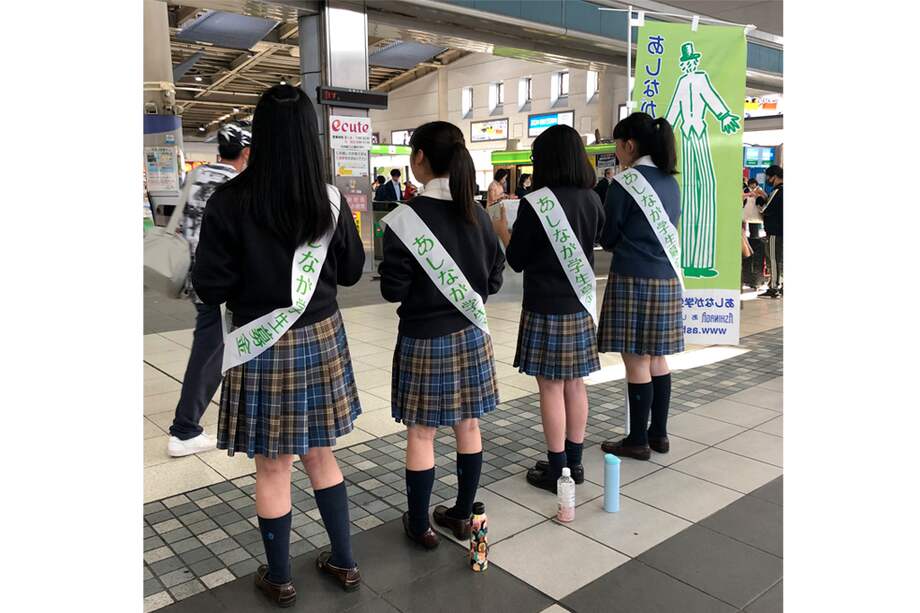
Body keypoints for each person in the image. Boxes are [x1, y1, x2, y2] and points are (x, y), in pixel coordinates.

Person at [192, 85, 365, 606]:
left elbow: (211, 286)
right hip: (322, 338)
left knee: (272, 465)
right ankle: (345, 560)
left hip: (260, 344)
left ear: (259, 136)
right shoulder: (327, 198)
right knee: (320, 452)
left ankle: (280, 576)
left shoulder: (229, 202)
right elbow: (354, 272)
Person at [379, 121, 504, 549]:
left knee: (422, 433)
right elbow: (495, 278)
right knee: (468, 424)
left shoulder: (404, 220)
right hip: (471, 334)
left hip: (423, 338)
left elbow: (392, 288)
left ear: (420, 159)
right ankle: (464, 514)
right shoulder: (479, 215)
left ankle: (419, 525)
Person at [491, 124, 605, 492]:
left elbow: (517, 259)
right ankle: (575, 463)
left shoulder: (536, 203)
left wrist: (501, 228)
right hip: (580, 305)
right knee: (575, 384)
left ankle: (557, 469)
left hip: (545, 306)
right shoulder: (592, 199)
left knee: (551, 388)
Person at [596, 112, 683, 461]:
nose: (617, 153)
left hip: (632, 277)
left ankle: (636, 439)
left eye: (617, 146)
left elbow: (609, 235)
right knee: (658, 358)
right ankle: (658, 434)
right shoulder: (670, 182)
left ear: (629, 145)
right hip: (666, 277)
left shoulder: (625, 182)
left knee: (636, 360)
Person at [167, 122, 251, 458]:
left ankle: (241, 411)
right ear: (246, 153)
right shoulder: (239, 185)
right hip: (224, 286)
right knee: (210, 353)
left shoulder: (196, 176)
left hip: (198, 278)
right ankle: (184, 430)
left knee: (226, 349)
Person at [758, 165, 783, 298]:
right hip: (781, 231)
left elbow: (765, 210)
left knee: (773, 259)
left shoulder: (778, 190)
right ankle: (780, 285)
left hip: (775, 231)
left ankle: (774, 288)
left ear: (774, 176)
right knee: (780, 259)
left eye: (768, 176)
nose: (767, 179)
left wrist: (759, 199)